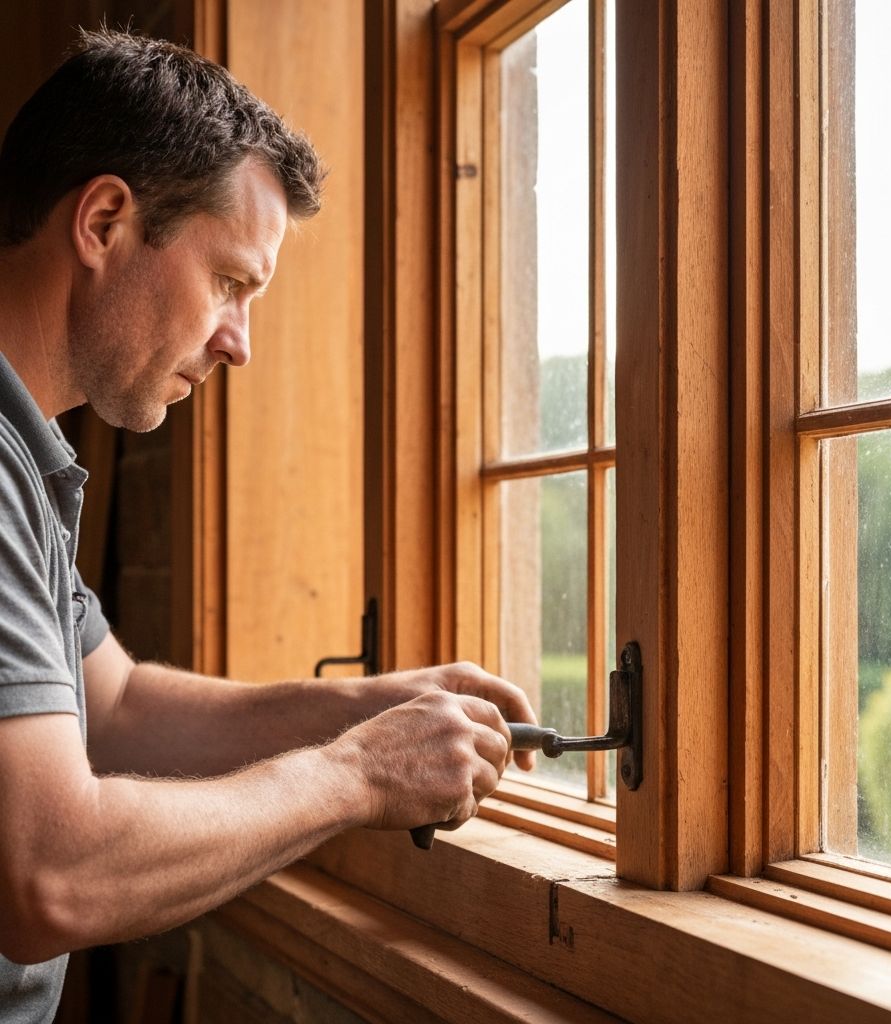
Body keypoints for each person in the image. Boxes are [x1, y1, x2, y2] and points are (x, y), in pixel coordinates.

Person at [0, 28, 536, 1022]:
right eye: (230, 284)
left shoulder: (24, 465)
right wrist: (355, 776)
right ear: (107, 219)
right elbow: (50, 876)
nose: (238, 343)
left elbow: (113, 707)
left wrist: (366, 706)